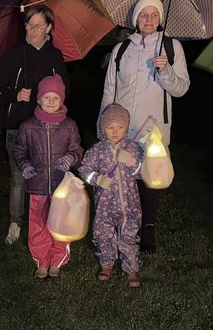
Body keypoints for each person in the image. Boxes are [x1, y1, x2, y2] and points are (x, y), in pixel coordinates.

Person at [98, 0, 190, 253]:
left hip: (155, 130)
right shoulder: (122, 49)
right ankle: (126, 225)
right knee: (126, 178)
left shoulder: (171, 48)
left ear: (160, 19)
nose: (149, 20)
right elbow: (110, 90)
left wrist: (166, 71)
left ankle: (148, 228)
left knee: (151, 179)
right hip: (123, 129)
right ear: (136, 19)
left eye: (154, 15)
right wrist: (102, 124)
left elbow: (181, 89)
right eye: (143, 15)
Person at [0, 4, 70, 245]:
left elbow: (66, 89)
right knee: (18, 176)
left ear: (49, 28)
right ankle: (16, 222)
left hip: (48, 129)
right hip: (17, 127)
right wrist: (15, 94)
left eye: (38, 26)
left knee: (48, 175)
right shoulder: (14, 54)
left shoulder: (54, 57)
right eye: (29, 25)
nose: (32, 30)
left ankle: (49, 220)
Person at [12, 74, 83, 278]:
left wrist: (70, 158)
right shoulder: (27, 126)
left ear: (62, 100)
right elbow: (19, 151)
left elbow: (77, 150)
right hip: (37, 185)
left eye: (56, 98)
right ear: (38, 99)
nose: (51, 101)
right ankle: (41, 260)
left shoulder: (70, 126)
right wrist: (24, 165)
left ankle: (58, 259)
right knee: (38, 224)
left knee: (61, 225)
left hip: (62, 187)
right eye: (47, 97)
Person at [78, 103, 144, 287]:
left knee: (128, 233)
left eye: (119, 127)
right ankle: (106, 263)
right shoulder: (96, 150)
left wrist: (132, 162)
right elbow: (84, 170)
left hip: (128, 203)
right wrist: (97, 179)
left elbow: (143, 172)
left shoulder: (134, 148)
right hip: (104, 204)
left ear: (126, 128)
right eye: (110, 127)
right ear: (103, 128)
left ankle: (131, 268)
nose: (115, 131)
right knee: (103, 232)